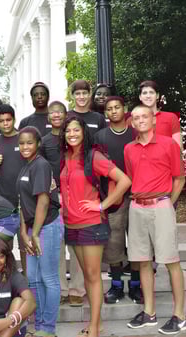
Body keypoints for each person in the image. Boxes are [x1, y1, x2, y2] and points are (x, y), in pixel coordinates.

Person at [59, 115, 131, 337]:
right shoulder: (66, 157)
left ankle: (94, 328)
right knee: (88, 278)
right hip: (71, 224)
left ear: (84, 133)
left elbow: (124, 180)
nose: (72, 134)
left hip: (91, 224)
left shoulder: (93, 156)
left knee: (92, 276)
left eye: (76, 130)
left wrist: (101, 205)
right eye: (68, 131)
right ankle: (96, 324)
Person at [124, 105, 186, 335]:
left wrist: (168, 203)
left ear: (153, 120)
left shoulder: (168, 143)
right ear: (132, 123)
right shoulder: (128, 148)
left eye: (144, 116)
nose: (140, 120)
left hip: (160, 205)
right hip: (136, 208)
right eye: (136, 117)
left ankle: (180, 316)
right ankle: (149, 313)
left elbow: (179, 178)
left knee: (171, 260)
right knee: (142, 261)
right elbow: (132, 177)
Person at [93, 97, 140, 304]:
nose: (113, 111)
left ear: (124, 109)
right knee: (114, 242)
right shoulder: (100, 136)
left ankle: (137, 285)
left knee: (139, 241)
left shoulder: (135, 133)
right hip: (114, 196)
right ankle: (117, 285)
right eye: (109, 109)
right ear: (105, 113)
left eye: (117, 108)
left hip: (138, 194)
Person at [16, 126, 62, 337]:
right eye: (22, 143)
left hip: (47, 227)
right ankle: (40, 324)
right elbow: (22, 203)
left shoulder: (41, 165)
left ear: (38, 144)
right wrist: (24, 233)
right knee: (33, 278)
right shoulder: (26, 166)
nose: (25, 146)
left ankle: (48, 328)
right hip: (32, 228)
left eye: (29, 143)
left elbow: (43, 201)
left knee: (48, 278)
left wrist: (34, 234)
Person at [40, 101, 86, 307]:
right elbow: (40, 168)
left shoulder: (74, 139)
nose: (56, 115)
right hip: (55, 197)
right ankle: (61, 288)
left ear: (66, 115)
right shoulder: (44, 141)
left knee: (76, 243)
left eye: (60, 112)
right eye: (52, 113)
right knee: (56, 246)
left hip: (76, 195)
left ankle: (77, 288)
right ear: (48, 117)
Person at [0, 104, 27, 273]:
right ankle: (8, 280)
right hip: (4, 202)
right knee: (3, 245)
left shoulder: (23, 138)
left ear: (14, 119)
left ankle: (28, 280)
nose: (5, 124)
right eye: (1, 121)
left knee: (26, 245)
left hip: (25, 201)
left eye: (8, 120)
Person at [134, 80, 183, 149]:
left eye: (151, 92)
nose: (148, 96)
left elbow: (178, 148)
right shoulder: (134, 121)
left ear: (157, 96)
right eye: (145, 93)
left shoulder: (171, 117)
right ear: (140, 97)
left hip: (168, 159)